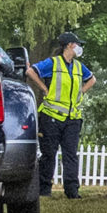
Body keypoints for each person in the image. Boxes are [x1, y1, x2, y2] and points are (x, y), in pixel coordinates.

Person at [30, 30, 94, 197]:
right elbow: (31, 71)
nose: (79, 48)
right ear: (69, 45)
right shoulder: (53, 63)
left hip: (72, 118)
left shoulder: (79, 67)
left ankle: (72, 191)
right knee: (49, 155)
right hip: (51, 116)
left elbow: (92, 79)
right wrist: (44, 88)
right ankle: (44, 190)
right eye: (77, 44)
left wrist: (82, 92)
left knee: (70, 155)